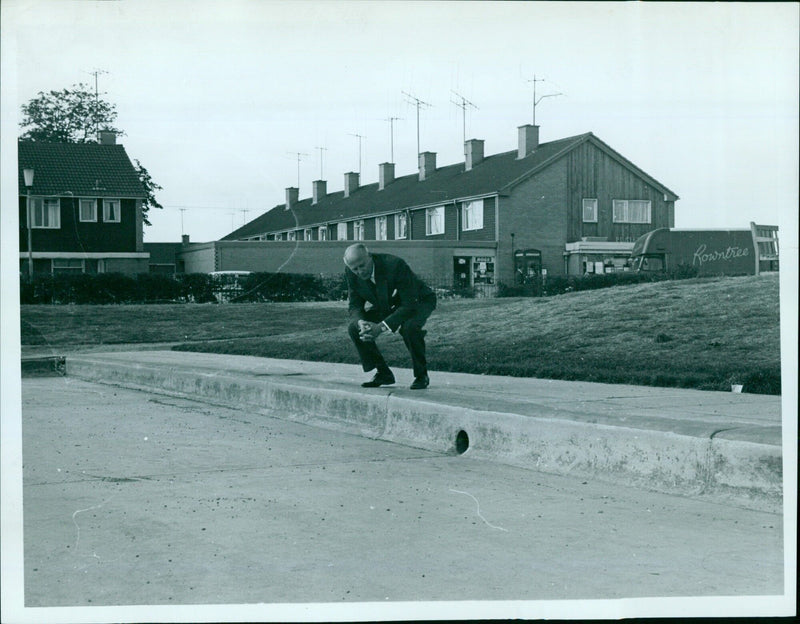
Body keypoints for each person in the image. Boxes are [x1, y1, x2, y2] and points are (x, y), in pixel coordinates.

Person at [344, 244, 436, 389]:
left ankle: (421, 375)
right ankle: (383, 374)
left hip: (418, 300)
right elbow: (355, 305)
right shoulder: (351, 273)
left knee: (409, 328)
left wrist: (380, 327)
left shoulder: (394, 264)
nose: (360, 272)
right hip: (388, 302)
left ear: (370, 258)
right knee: (355, 328)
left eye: (362, 266)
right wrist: (361, 322)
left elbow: (409, 304)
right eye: (354, 269)